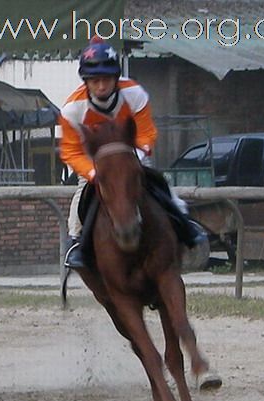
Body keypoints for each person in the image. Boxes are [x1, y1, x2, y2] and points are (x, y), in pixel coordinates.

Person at [59, 36, 205, 269]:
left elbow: (146, 133)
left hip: (132, 155)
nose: (101, 86)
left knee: (160, 184)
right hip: (93, 163)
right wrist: (94, 173)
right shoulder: (72, 109)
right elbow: (70, 151)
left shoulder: (134, 93)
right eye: (94, 81)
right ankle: (76, 241)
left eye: (106, 79)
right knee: (81, 194)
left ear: (116, 77)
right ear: (85, 81)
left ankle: (186, 224)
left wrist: (133, 159)